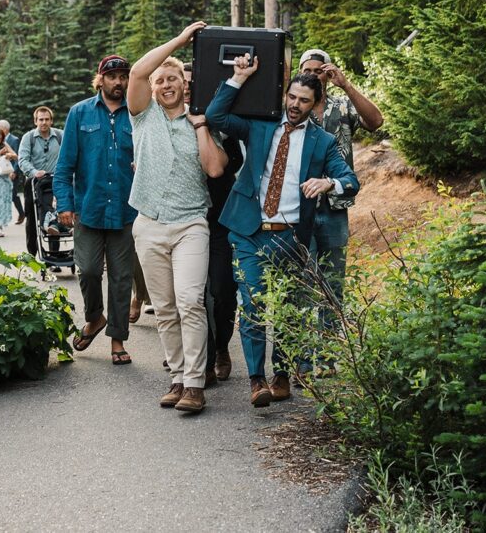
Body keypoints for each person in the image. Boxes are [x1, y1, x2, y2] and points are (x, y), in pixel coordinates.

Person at [205, 59, 359, 408]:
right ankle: (256, 379)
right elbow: (216, 117)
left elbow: (350, 181)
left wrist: (328, 182)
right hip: (249, 230)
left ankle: (283, 373)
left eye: (303, 101)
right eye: (291, 97)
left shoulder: (322, 142)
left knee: (289, 306)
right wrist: (238, 78)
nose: (294, 105)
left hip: (290, 236)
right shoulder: (261, 124)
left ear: (314, 102)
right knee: (254, 303)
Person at [128, 22, 228, 414]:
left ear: (185, 86)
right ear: (153, 89)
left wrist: (201, 126)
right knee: (165, 307)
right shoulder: (143, 117)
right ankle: (176, 376)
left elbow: (216, 170)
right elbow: (137, 71)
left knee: (190, 301)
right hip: (149, 223)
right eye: (161, 80)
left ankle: (195, 384)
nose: (167, 84)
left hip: (190, 224)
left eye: (174, 79)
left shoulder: (199, 120)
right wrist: (181, 40)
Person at [299, 50, 384, 366]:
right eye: (307, 69)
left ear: (327, 73)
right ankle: (304, 360)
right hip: (301, 208)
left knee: (333, 284)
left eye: (319, 70)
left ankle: (330, 356)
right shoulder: (293, 107)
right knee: (304, 281)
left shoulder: (342, 106)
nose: (313, 75)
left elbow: (375, 122)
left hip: (335, 206)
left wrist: (347, 85)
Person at [54, 55, 137, 365]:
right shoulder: (79, 114)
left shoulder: (137, 114)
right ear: (100, 79)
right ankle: (94, 317)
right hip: (89, 209)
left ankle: (118, 339)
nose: (118, 81)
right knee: (88, 270)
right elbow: (65, 166)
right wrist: (65, 204)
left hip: (127, 211)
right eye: (112, 76)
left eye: (123, 76)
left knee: (121, 278)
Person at [183, 62, 243, 385]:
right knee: (193, 293)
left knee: (222, 288)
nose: (188, 88)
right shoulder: (171, 120)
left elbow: (232, 162)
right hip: (187, 217)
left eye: (194, 83)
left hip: (220, 217)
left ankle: (222, 347)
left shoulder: (218, 118)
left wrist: (205, 128)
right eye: (185, 83)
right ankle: (201, 359)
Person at [18, 106, 64, 260]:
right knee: (31, 217)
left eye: (46, 119)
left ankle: (54, 254)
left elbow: (68, 155)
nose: (43, 122)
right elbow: (22, 159)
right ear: (35, 121)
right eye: (40, 119)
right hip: (34, 182)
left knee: (53, 211)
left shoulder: (60, 136)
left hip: (55, 180)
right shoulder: (29, 138)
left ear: (51, 121)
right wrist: (33, 172)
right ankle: (31, 254)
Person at [0, 119, 26, 225]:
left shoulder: (14, 140)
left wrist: (15, 172)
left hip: (13, 172)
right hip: (3, 171)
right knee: (7, 194)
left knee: (13, 195)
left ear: (4, 129)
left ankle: (22, 213)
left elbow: (18, 156)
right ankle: (0, 218)